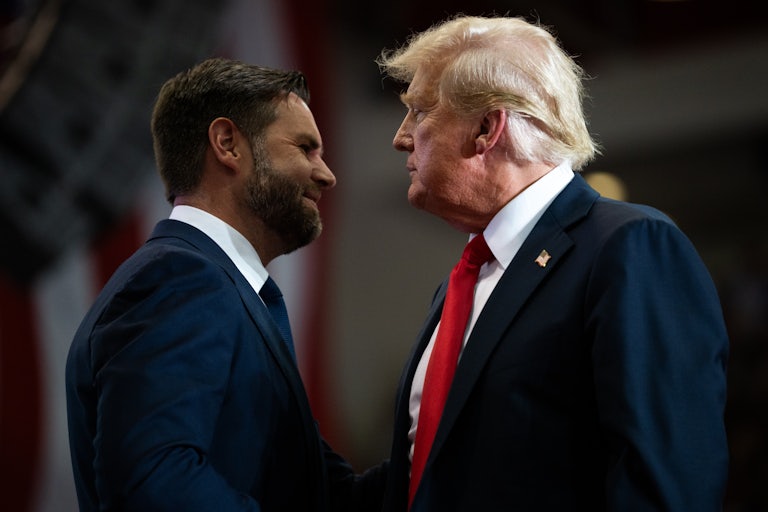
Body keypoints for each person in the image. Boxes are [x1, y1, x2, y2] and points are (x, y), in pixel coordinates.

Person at [376, 15, 729, 511]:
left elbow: (666, 486)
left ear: (486, 128)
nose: (401, 136)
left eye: (418, 111)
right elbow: (438, 475)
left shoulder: (629, 247)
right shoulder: (470, 280)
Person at [65, 58, 385, 511]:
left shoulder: (221, 288)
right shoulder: (178, 278)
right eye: (305, 148)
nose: (326, 173)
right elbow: (155, 483)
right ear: (228, 144)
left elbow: (326, 496)